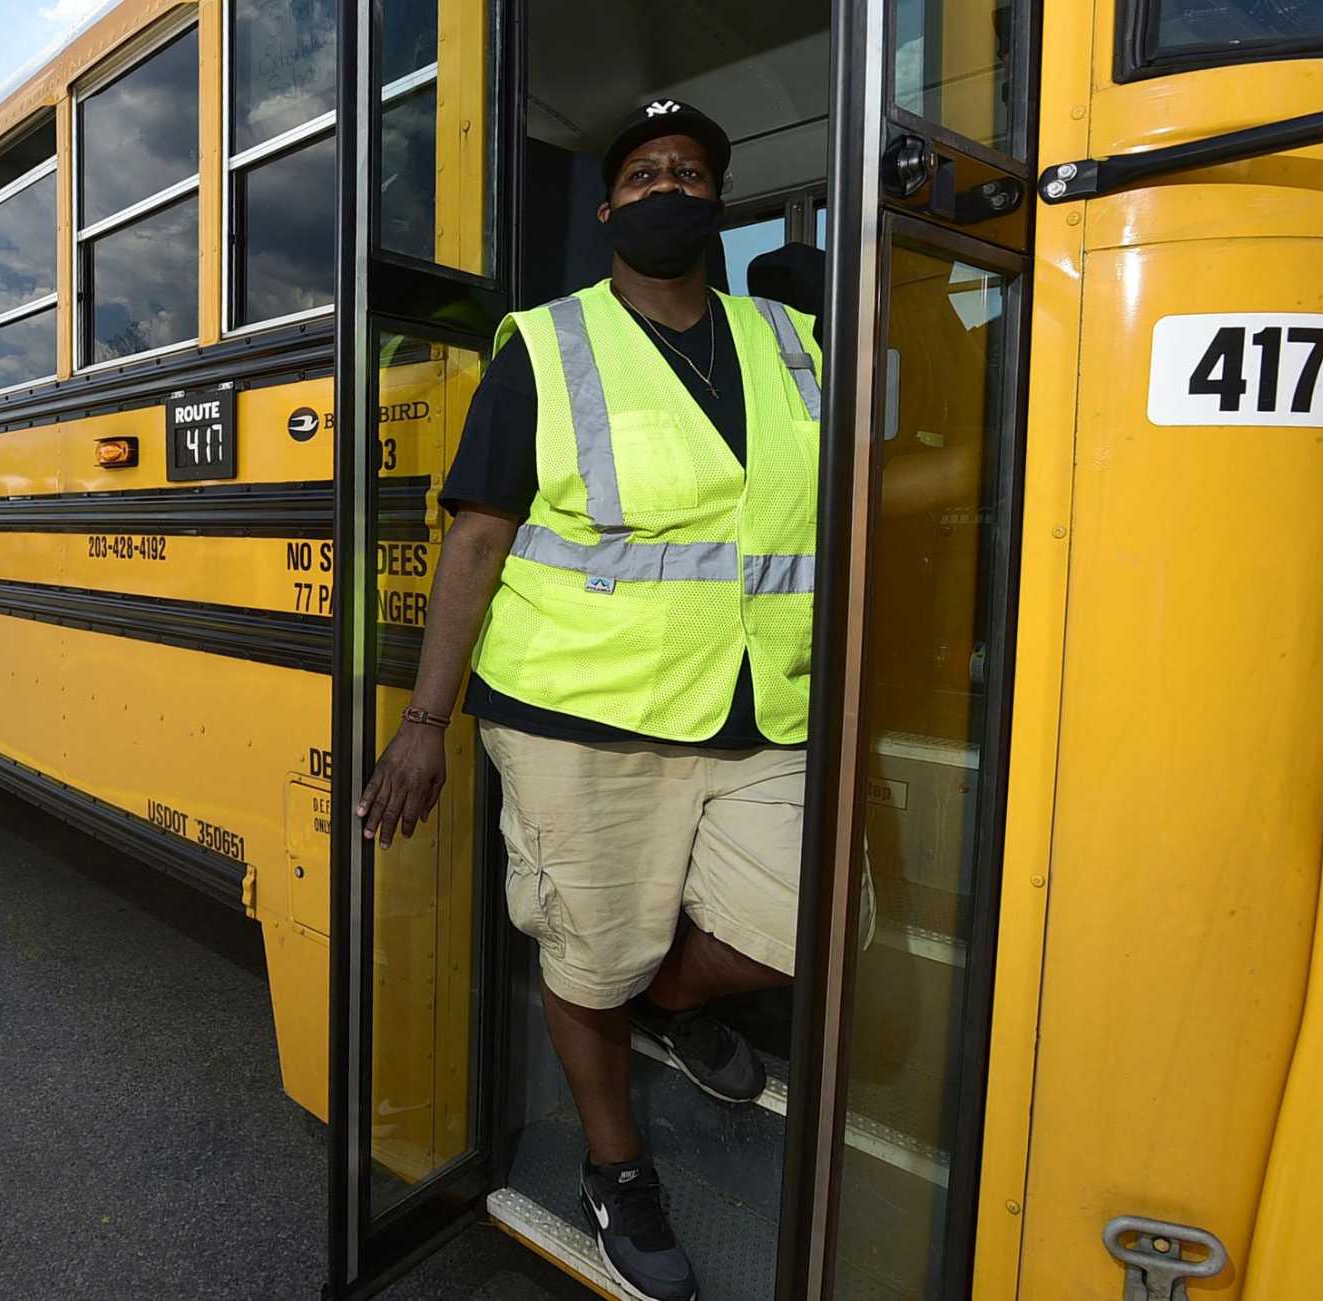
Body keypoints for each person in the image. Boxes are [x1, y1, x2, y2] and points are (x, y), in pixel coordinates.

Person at [355, 99, 867, 1301]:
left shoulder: (789, 342)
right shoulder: (545, 343)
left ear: (716, 203)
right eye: (641, 174)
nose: (665, 186)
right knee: (585, 956)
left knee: (803, 929)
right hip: (580, 712)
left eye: (687, 169)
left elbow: (855, 490)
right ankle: (614, 1163)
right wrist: (427, 723)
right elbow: (478, 538)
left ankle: (670, 999)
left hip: (760, 706)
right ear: (606, 210)